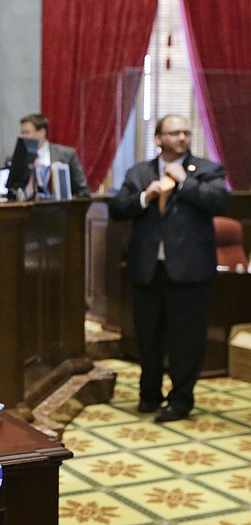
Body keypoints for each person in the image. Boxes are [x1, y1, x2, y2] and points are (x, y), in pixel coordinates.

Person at [108, 114, 230, 423]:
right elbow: (118, 209)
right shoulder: (139, 172)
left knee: (186, 340)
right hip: (148, 268)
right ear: (159, 138)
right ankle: (149, 395)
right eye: (174, 133)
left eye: (186, 133)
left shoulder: (207, 170)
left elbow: (219, 203)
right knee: (148, 336)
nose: (182, 137)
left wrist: (185, 181)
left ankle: (180, 401)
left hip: (190, 271)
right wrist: (144, 196)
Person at [19, 113, 91, 197]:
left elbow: (81, 187)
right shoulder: (20, 157)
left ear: (42, 132)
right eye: (22, 133)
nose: (24, 137)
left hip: (60, 207)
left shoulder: (66, 154)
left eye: (27, 132)